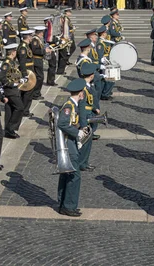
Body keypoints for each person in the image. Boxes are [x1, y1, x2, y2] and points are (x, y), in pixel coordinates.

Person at [57, 78, 87, 217]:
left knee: (67, 174)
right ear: (80, 93)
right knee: (74, 176)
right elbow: (62, 123)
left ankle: (63, 203)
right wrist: (77, 133)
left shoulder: (72, 105)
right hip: (68, 144)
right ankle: (69, 206)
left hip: (70, 142)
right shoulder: (69, 106)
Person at [77, 63, 99, 172]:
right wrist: (83, 125)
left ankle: (85, 162)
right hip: (85, 116)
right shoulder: (83, 89)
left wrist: (94, 108)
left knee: (88, 142)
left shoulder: (88, 86)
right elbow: (81, 107)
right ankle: (81, 163)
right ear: (91, 75)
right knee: (85, 142)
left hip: (89, 113)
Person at [0, 43, 24, 139]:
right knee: (20, 107)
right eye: (15, 51)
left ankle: (9, 131)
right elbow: (1, 76)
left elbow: (12, 74)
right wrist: (11, 84)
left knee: (10, 109)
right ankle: (11, 127)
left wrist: (19, 79)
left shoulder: (11, 62)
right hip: (10, 90)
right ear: (13, 52)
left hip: (13, 89)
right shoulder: (7, 63)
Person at [17, 30, 35, 118]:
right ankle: (24, 110)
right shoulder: (23, 48)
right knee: (28, 92)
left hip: (30, 70)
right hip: (27, 71)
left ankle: (25, 109)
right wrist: (25, 74)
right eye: (31, 36)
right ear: (28, 37)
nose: (32, 37)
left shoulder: (26, 46)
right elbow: (22, 61)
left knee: (28, 92)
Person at [31, 26, 49, 100]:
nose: (42, 34)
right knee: (40, 77)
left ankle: (36, 93)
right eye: (42, 33)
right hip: (36, 60)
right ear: (40, 33)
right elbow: (35, 50)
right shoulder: (35, 40)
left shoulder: (38, 39)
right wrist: (45, 51)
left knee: (39, 77)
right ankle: (35, 93)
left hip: (39, 59)